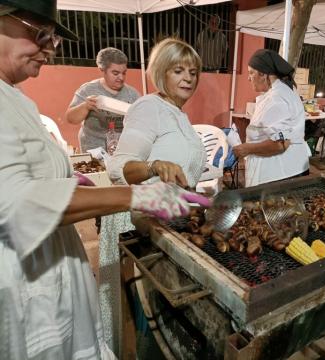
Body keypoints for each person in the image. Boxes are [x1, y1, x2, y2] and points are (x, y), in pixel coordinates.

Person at [0, 2, 209, 358]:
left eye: (54, 38)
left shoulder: (15, 97)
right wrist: (137, 195)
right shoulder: (149, 107)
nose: (50, 47)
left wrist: (63, 176)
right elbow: (15, 202)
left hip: (55, 265)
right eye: (40, 33)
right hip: (25, 281)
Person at [102, 37, 207, 354]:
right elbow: (118, 167)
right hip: (146, 227)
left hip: (174, 225)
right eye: (178, 70)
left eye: (192, 71)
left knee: (172, 314)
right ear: (162, 72)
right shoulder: (149, 107)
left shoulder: (179, 114)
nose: (188, 78)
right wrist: (152, 166)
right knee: (151, 315)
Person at [232, 49, 311, 187]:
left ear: (263, 74)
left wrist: (247, 149)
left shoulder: (277, 98)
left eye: (251, 72)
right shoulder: (281, 92)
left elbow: (280, 144)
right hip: (286, 171)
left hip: (280, 174)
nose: (248, 78)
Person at [65, 47, 140, 152]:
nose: (121, 78)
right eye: (115, 73)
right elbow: (71, 118)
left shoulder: (132, 94)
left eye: (124, 73)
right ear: (102, 70)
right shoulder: (88, 90)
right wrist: (85, 106)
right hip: (93, 151)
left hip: (122, 151)